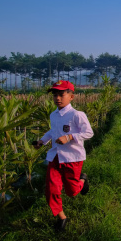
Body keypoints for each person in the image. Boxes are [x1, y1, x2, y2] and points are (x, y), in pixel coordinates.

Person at [33, 80, 94, 231]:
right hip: (55, 157)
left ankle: (82, 180)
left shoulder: (77, 115)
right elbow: (52, 132)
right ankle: (62, 218)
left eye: (61, 94)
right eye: (55, 95)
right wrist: (42, 141)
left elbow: (88, 132)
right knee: (51, 190)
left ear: (71, 97)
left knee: (72, 192)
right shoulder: (54, 115)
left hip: (72, 157)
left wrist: (69, 137)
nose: (57, 98)